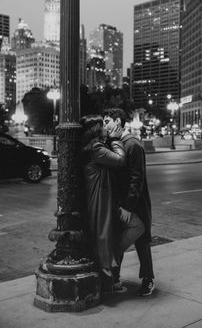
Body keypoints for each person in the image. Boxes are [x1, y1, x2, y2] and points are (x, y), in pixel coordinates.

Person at [103, 108, 155, 296]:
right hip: (119, 204)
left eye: (107, 121)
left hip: (135, 205)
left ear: (118, 121)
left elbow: (136, 179)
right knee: (118, 239)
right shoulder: (115, 142)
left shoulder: (133, 145)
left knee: (142, 242)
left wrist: (128, 206)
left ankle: (148, 280)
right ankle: (115, 279)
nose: (104, 125)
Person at [80, 114, 126, 292]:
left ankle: (107, 277)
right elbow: (120, 160)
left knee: (103, 234)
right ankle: (107, 281)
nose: (107, 128)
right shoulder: (96, 147)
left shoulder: (92, 147)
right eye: (103, 125)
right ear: (96, 130)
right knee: (103, 234)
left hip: (98, 196)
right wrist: (115, 140)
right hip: (100, 197)